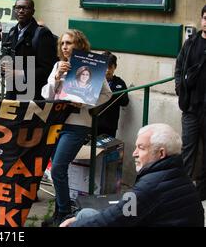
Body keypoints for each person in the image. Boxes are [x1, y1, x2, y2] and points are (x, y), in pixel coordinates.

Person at [60, 123, 204, 227]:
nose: (134, 153)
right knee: (86, 214)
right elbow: (123, 212)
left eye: (141, 148)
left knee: (84, 217)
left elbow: (113, 220)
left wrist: (74, 225)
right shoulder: (179, 175)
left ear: (161, 153)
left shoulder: (150, 186)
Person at [41, 29, 111, 226]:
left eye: (69, 43)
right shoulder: (57, 65)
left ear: (79, 45)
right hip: (56, 123)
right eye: (62, 43)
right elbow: (47, 95)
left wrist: (87, 104)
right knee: (57, 171)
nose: (65, 47)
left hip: (77, 125)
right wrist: (57, 77)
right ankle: (59, 211)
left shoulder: (91, 65)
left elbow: (107, 94)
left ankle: (64, 212)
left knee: (57, 169)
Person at [175, 4, 206, 201]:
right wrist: (180, 88)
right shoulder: (191, 43)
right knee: (188, 149)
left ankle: (202, 191)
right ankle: (182, 190)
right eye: (205, 17)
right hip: (191, 107)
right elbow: (179, 67)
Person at [2, 0, 58, 100]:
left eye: (25, 8)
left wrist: (21, 73)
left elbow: (48, 69)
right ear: (14, 10)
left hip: (32, 95)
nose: (21, 11)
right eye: (18, 8)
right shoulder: (12, 32)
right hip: (12, 93)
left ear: (32, 11)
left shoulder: (42, 34)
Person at [97, 51, 130, 137]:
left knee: (108, 148)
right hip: (93, 123)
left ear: (115, 67)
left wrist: (113, 95)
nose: (107, 70)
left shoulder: (120, 82)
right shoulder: (94, 80)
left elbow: (125, 102)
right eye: (105, 67)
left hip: (110, 124)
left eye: (110, 67)